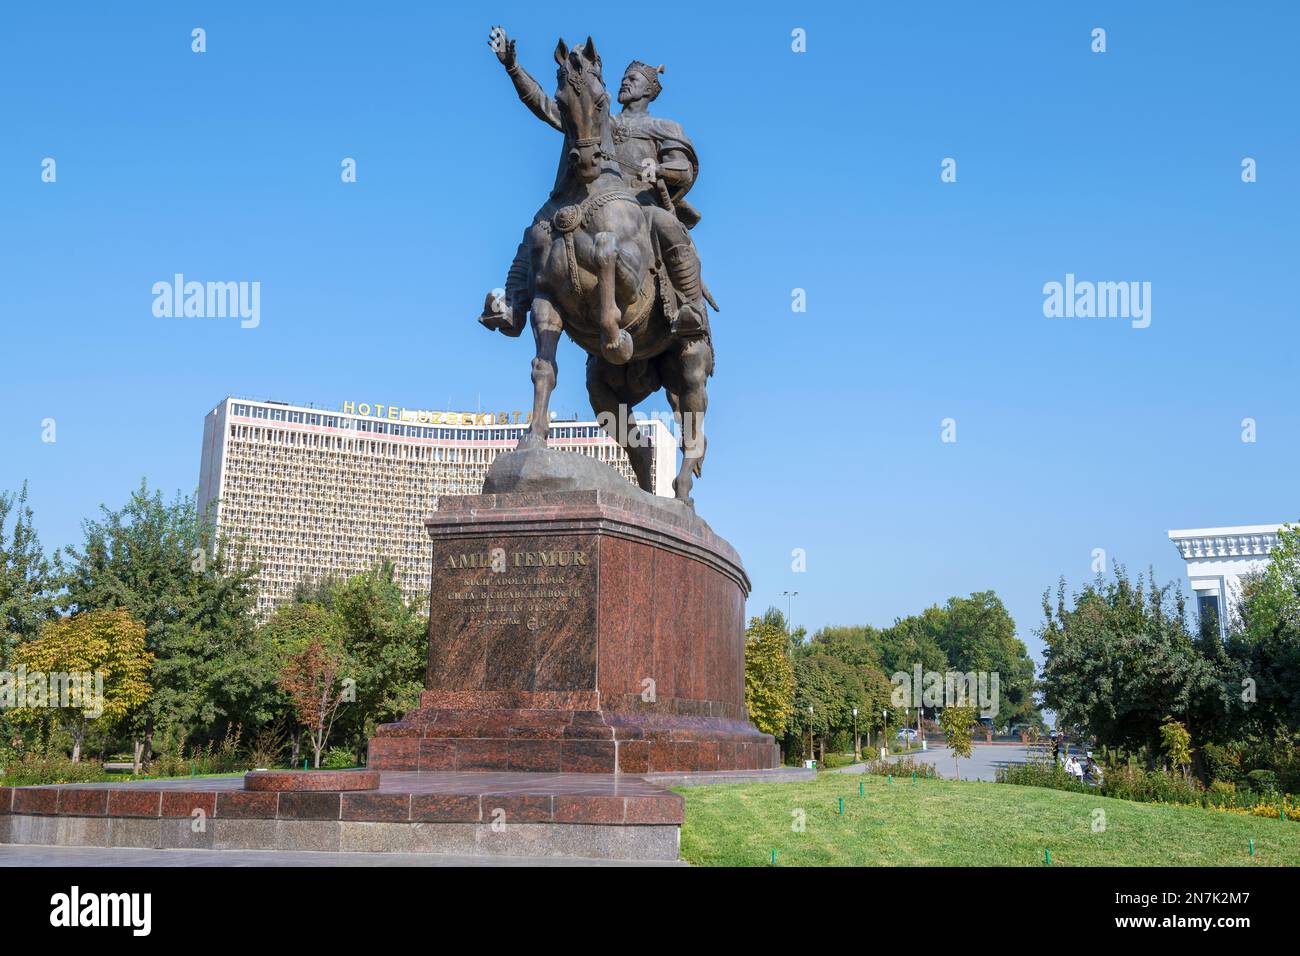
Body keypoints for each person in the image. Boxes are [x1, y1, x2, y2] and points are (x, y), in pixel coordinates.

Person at [481, 26, 713, 340]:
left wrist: (658, 168)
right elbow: (545, 106)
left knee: (667, 225)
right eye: (624, 78)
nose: (625, 82)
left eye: (634, 80)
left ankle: (690, 307)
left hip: (640, 207)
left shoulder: (662, 126)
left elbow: (683, 168)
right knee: (539, 228)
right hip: (598, 201)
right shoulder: (600, 117)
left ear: (649, 90)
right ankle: (515, 303)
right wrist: (513, 68)